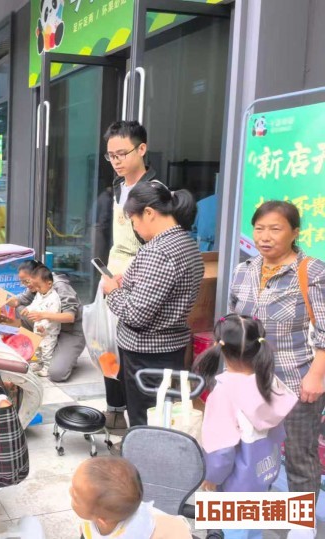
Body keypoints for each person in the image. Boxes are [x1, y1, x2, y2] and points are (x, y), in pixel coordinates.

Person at [229, 200, 325, 509]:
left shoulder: (312, 271)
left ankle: (301, 524)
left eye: (275, 229)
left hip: (296, 381)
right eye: (259, 229)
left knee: (299, 455)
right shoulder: (244, 271)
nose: (265, 237)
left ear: (295, 232)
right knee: (251, 451)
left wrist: (316, 376)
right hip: (250, 380)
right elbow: (234, 323)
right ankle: (251, 514)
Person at [102, 181, 203, 427]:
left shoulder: (158, 251)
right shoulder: (187, 243)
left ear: (148, 213)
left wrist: (112, 291)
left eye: (133, 221)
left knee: (144, 418)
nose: (135, 228)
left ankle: (141, 452)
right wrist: (130, 282)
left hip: (145, 352)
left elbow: (135, 315)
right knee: (161, 414)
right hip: (170, 347)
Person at [196, 314, 297, 539]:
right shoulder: (269, 381)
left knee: (231, 532)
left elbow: (221, 451)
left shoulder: (224, 392)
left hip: (234, 485)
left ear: (219, 346)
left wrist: (211, 477)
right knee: (253, 530)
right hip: (263, 475)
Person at [101, 121, 159, 431]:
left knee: (130, 348)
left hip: (138, 277)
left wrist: (132, 276)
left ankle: (139, 422)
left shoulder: (156, 191)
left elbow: (158, 243)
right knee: (106, 345)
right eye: (111, 156)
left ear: (142, 149)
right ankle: (115, 406)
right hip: (112, 272)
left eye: (122, 154)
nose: (116, 161)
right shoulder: (117, 186)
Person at [70, 457, 191, 539]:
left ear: (101, 521)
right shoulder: (121, 509)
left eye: (75, 497)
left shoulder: (135, 533)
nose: (70, 491)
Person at [8, 260, 85, 382]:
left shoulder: (59, 286)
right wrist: (4, 299)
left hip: (70, 331)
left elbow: (70, 317)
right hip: (49, 327)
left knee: (56, 374)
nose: (26, 285)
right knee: (20, 309)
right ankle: (41, 350)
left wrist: (43, 315)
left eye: (26, 281)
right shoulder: (36, 284)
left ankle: (64, 354)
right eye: (22, 282)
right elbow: (20, 300)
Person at [26, 265, 61, 378]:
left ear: (49, 284)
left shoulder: (54, 299)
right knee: (37, 348)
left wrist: (44, 326)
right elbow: (34, 304)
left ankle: (46, 367)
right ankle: (38, 364)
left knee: (47, 349)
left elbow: (53, 315)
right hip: (38, 327)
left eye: (39, 286)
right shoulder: (40, 294)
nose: (36, 289)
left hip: (49, 331)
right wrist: (28, 309)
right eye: (35, 286)